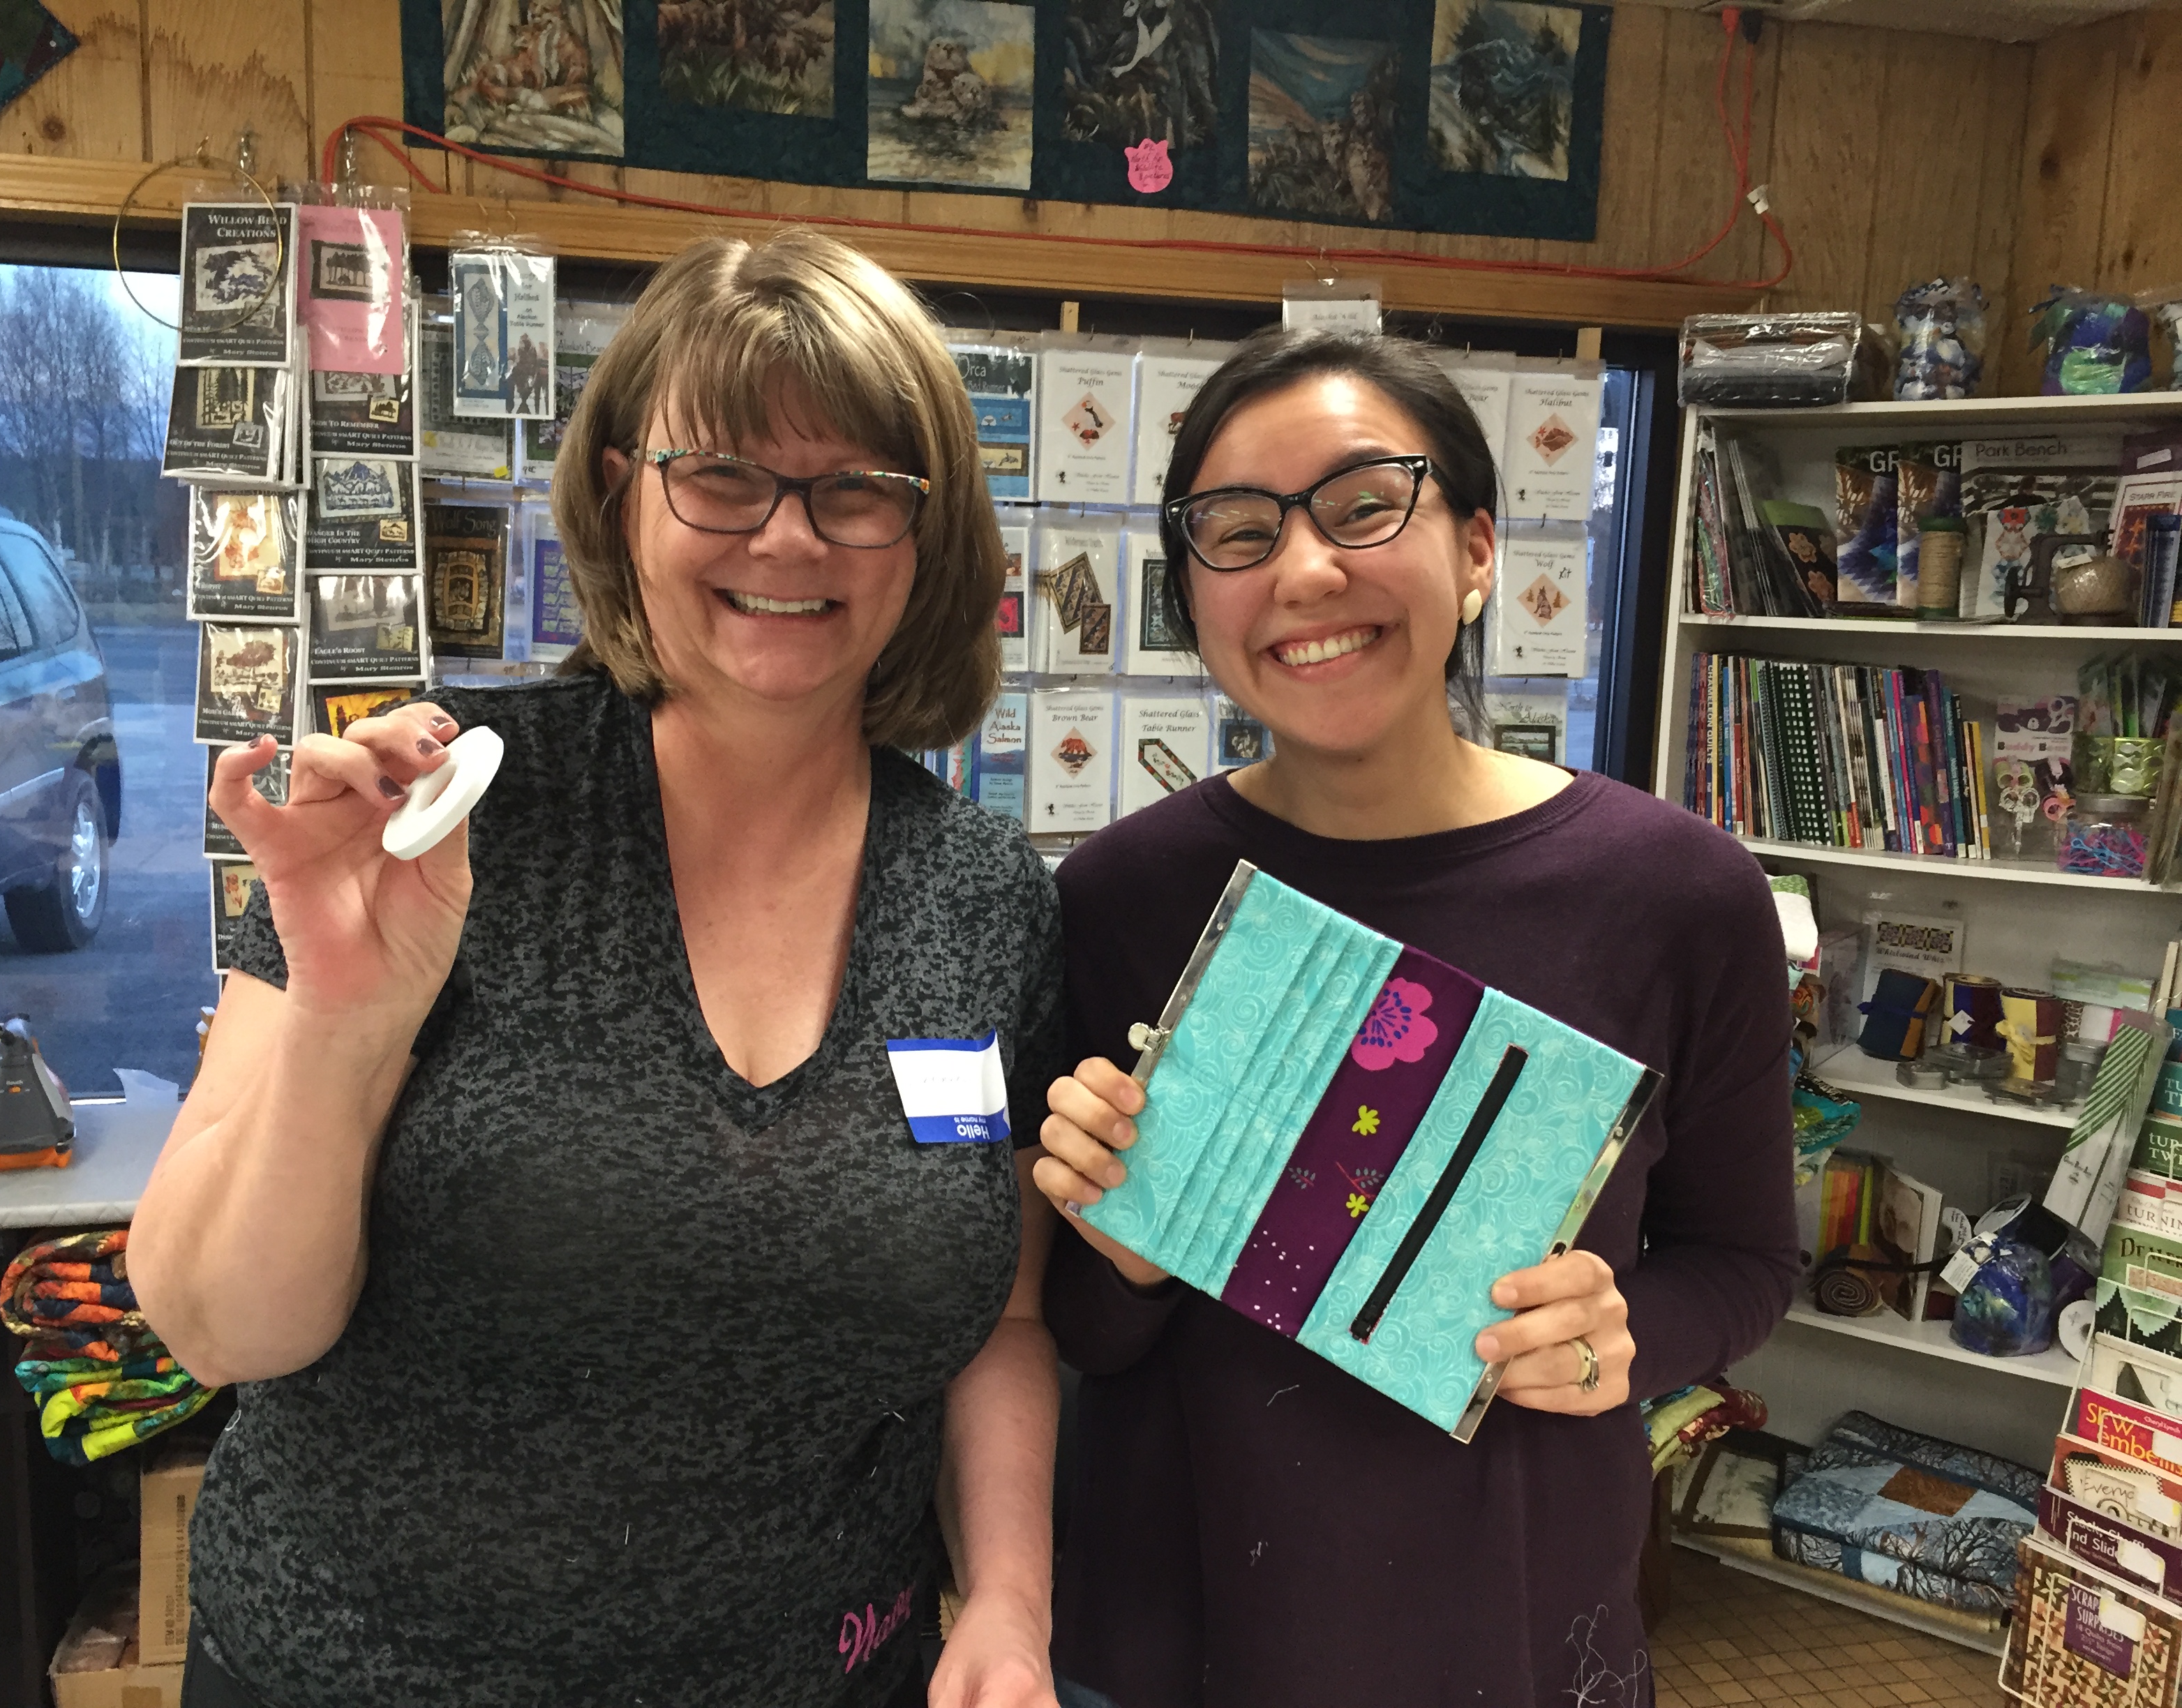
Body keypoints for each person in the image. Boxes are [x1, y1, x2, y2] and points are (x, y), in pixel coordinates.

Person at [131, 232, 1066, 1708]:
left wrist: (1010, 1603)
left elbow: (996, 1321)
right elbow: (218, 1330)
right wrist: (347, 1023)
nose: (789, 539)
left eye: (856, 488)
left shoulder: (987, 899)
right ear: (625, 493)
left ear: (925, 533)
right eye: (724, 477)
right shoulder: (443, 815)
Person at [1033, 330, 1797, 1707]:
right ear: (1192, 594)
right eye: (1239, 531)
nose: (1305, 571)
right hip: (1178, 1633)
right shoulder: (1118, 898)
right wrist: (1124, 1254)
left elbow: (1744, 1263)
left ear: (1480, 549)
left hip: (1507, 1624)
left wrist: (1621, 1328)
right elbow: (1082, 1334)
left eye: (1365, 505)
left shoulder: (1677, 895)